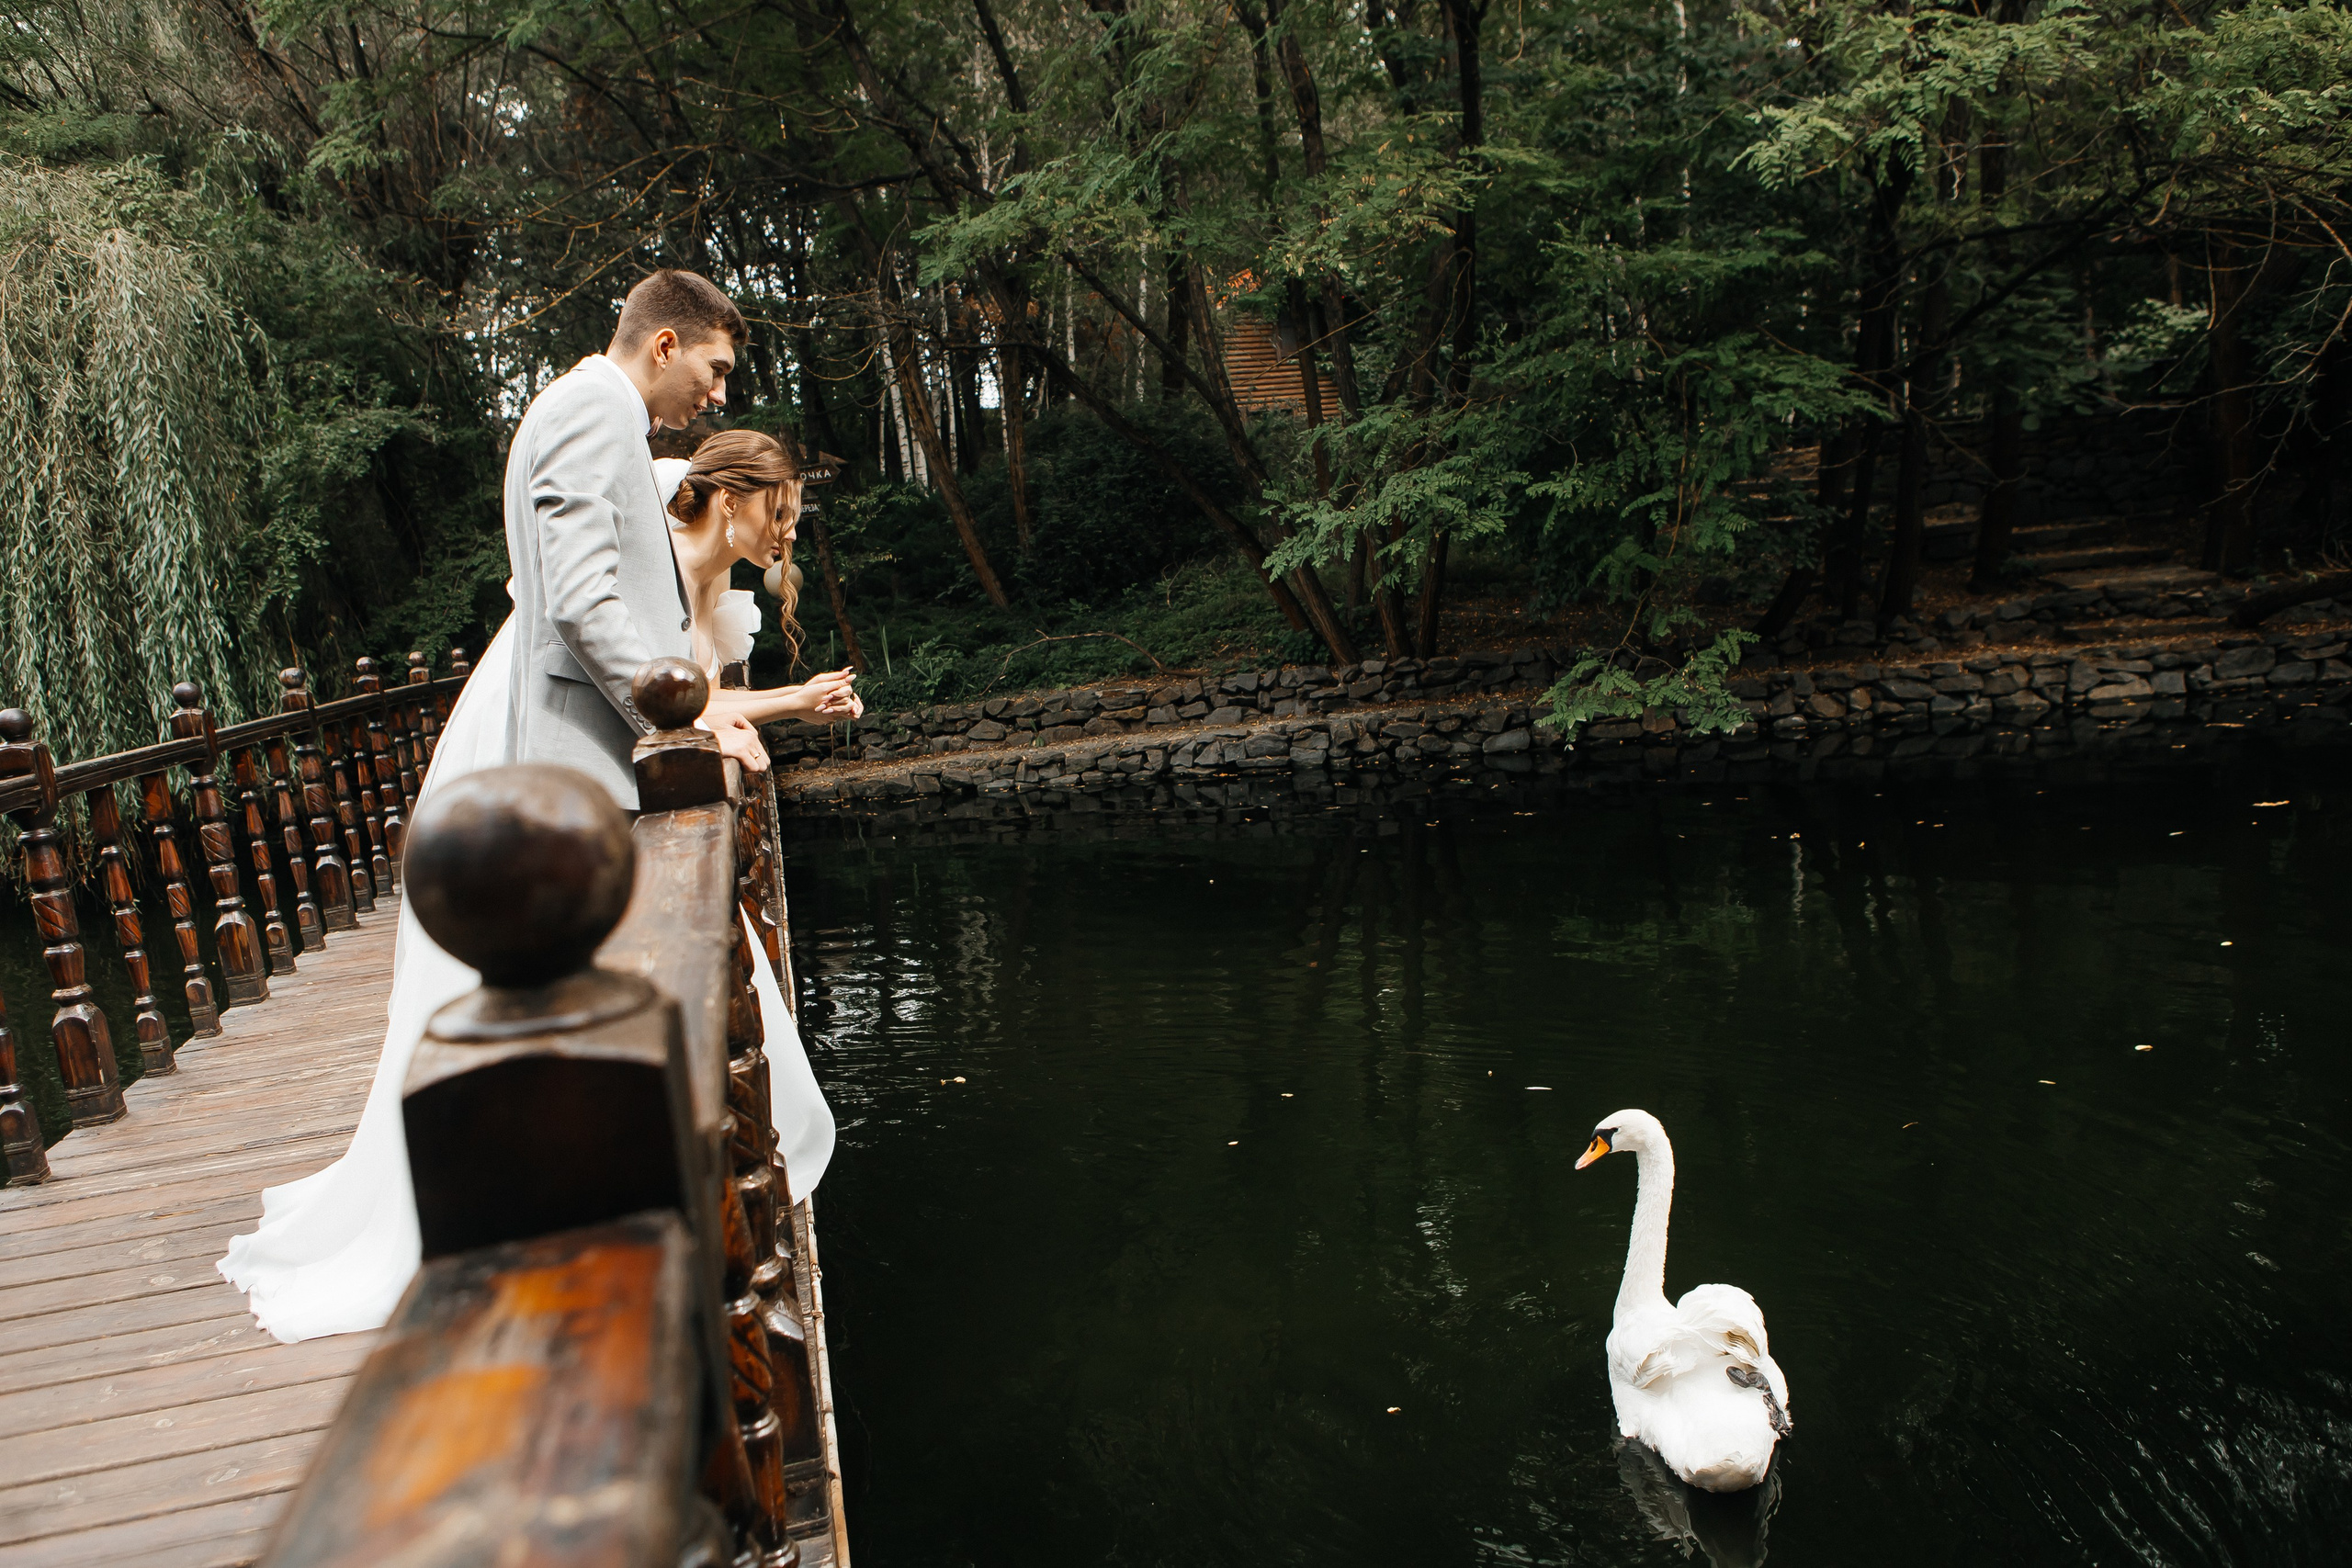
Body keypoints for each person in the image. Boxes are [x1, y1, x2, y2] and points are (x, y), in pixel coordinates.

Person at [217, 277, 856, 1343]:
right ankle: (614, 1216)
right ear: (665, 343)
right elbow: (579, 593)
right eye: (715, 367)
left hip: (594, 736)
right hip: (581, 740)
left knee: (628, 968)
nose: (716, 390)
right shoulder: (586, 409)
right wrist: (674, 714)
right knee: (611, 964)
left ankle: (631, 1195)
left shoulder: (605, 415)